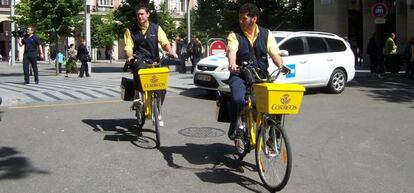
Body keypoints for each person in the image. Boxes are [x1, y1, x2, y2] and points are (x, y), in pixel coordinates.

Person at [226, 3, 289, 140]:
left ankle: (273, 138)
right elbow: (232, 50)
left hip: (260, 76)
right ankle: (234, 125)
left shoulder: (267, 33)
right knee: (237, 99)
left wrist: (280, 65)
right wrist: (232, 64)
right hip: (240, 74)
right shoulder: (234, 35)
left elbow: (274, 53)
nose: (241, 21)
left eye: (244, 18)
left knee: (277, 104)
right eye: (240, 18)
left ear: (254, 19)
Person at [123, 4, 177, 126]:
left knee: (162, 86)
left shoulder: (156, 28)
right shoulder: (130, 30)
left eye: (142, 14)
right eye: (138, 15)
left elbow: (165, 42)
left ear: (148, 14)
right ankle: (137, 96)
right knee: (138, 68)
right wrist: (130, 56)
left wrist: (171, 52)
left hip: (154, 59)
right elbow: (128, 47)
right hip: (139, 58)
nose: (140, 16)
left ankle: (157, 109)